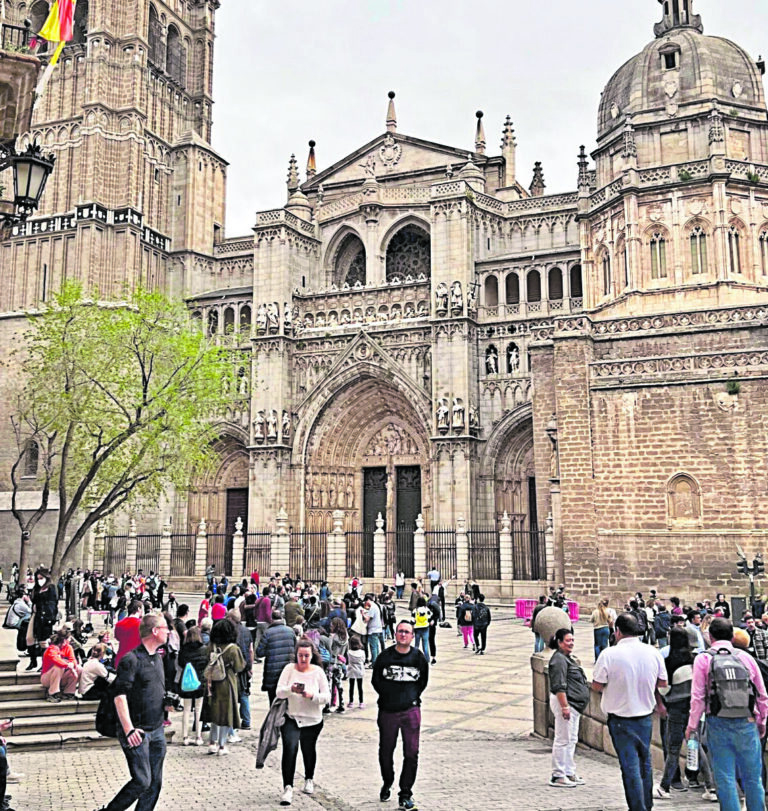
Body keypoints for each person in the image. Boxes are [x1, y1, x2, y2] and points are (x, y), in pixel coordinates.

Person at [686, 617, 768, 811]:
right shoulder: (746, 658)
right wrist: (762, 720)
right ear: (732, 636)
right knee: (753, 778)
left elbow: (697, 697)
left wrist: (692, 726)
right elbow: (762, 694)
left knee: (725, 777)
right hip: (747, 721)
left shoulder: (703, 659)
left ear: (710, 637)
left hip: (718, 722)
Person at [94, 613, 172, 811]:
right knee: (142, 781)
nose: (169, 631)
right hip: (137, 731)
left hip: (157, 729)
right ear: (155, 631)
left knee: (155, 783)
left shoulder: (158, 658)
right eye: (165, 628)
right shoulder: (131, 660)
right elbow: (119, 696)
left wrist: (165, 704)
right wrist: (129, 730)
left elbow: (151, 690)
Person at [591, 613, 667, 811]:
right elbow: (663, 682)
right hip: (644, 717)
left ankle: (637, 807)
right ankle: (646, 805)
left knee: (630, 766)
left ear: (617, 631)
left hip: (620, 718)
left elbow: (597, 686)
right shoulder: (652, 652)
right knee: (645, 763)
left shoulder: (609, 654)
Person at [372, 620, 429, 811]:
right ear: (395, 634)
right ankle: (387, 781)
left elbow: (423, 681)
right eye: (400, 631)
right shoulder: (385, 657)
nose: (403, 635)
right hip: (388, 710)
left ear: (412, 636)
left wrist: (411, 696)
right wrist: (388, 695)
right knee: (386, 750)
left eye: (407, 632)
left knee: (411, 753)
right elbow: (376, 680)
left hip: (411, 710)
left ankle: (405, 793)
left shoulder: (418, 658)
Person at [275, 638, 331, 806]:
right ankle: (288, 787)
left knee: (308, 749)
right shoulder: (289, 669)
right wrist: (290, 689)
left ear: (311, 656)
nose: (303, 659)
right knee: (290, 749)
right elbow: (279, 692)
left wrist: (312, 696)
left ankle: (309, 778)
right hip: (291, 717)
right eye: (300, 655)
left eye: (306, 656)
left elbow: (327, 697)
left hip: (312, 719)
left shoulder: (317, 672)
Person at [548, 628, 589, 788]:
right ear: (559, 642)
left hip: (574, 705)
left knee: (571, 739)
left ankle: (569, 771)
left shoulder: (566, 658)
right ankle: (558, 774)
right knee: (562, 739)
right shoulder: (558, 660)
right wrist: (564, 706)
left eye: (572, 640)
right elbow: (559, 685)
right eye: (567, 640)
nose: (571, 643)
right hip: (566, 703)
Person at [205, 617, 246, 755]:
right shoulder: (233, 648)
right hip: (227, 682)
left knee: (214, 712)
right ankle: (221, 745)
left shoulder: (212, 646)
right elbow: (239, 667)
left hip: (212, 682)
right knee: (225, 714)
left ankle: (212, 742)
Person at [256, 610, 296, 705]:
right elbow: (296, 648)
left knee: (273, 701)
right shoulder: (290, 631)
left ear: (271, 619)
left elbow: (259, 652)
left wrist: (270, 651)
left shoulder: (268, 633)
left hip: (272, 671)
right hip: (287, 669)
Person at [177, 625, 207, 746]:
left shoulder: (183, 649)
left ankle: (185, 736)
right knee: (199, 709)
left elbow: (180, 663)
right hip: (200, 681)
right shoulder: (204, 649)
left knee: (186, 709)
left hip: (186, 681)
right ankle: (198, 736)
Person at [27, 568, 58, 672]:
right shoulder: (37, 588)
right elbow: (34, 600)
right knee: (29, 638)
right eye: (38, 578)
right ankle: (33, 661)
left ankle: (44, 663)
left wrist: (50, 617)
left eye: (41, 578)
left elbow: (53, 603)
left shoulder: (50, 588)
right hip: (35, 615)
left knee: (43, 641)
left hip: (45, 617)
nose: (39, 580)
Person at [41, 628, 81, 702]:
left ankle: (68, 692)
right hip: (47, 678)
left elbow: (73, 660)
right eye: (69, 638)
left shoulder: (69, 647)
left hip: (62, 676)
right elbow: (57, 661)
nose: (71, 640)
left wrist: (72, 665)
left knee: (79, 669)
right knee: (59, 667)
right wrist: (69, 665)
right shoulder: (51, 648)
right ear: (64, 640)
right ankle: (52, 694)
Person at [114, 600, 144, 667]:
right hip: (136, 659)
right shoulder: (142, 624)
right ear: (139, 609)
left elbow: (117, 637)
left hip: (121, 658)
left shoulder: (119, 624)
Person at [346, 634, 366, 709]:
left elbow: (347, 661)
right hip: (360, 670)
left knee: (351, 687)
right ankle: (361, 702)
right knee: (360, 687)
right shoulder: (362, 652)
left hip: (351, 671)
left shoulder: (349, 652)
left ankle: (351, 702)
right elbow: (363, 660)